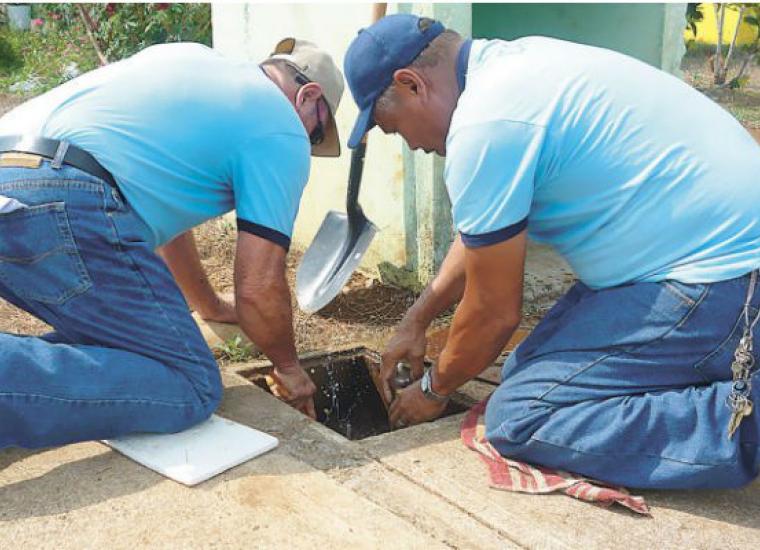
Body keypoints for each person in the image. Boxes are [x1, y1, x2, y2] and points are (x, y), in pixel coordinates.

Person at [343, 14, 760, 489]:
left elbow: (495, 314)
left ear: (411, 84)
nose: (412, 145)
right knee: (525, 370)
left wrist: (433, 389)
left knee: (520, 415)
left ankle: (742, 425)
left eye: (393, 128)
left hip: (724, 283)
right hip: (701, 261)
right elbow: (483, 234)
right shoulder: (512, 69)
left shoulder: (487, 125)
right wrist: (416, 319)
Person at [0, 38, 344, 448]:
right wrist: (289, 368)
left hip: (18, 170)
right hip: (62, 193)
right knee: (190, 383)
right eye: (316, 133)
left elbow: (171, 226)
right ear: (309, 96)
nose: (306, 143)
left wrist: (209, 306)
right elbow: (257, 285)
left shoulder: (192, 63)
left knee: (130, 352)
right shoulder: (279, 126)